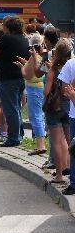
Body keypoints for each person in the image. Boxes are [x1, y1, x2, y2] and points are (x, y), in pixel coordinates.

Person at [0, 16, 30, 147]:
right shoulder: (24, 39)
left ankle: (13, 138)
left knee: (10, 109)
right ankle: (19, 134)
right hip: (20, 77)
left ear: (7, 27)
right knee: (17, 108)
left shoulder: (6, 38)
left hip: (7, 79)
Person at [43, 40, 71, 186]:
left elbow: (47, 92)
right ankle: (70, 170)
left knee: (57, 142)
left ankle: (59, 175)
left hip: (54, 108)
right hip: (69, 106)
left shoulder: (53, 71)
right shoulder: (71, 67)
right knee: (69, 140)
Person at [18, 33, 48, 156]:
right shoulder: (42, 56)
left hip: (33, 88)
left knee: (35, 116)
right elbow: (37, 69)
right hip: (39, 87)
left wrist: (21, 68)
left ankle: (40, 145)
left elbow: (28, 75)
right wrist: (25, 63)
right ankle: (40, 143)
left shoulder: (33, 56)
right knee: (38, 115)